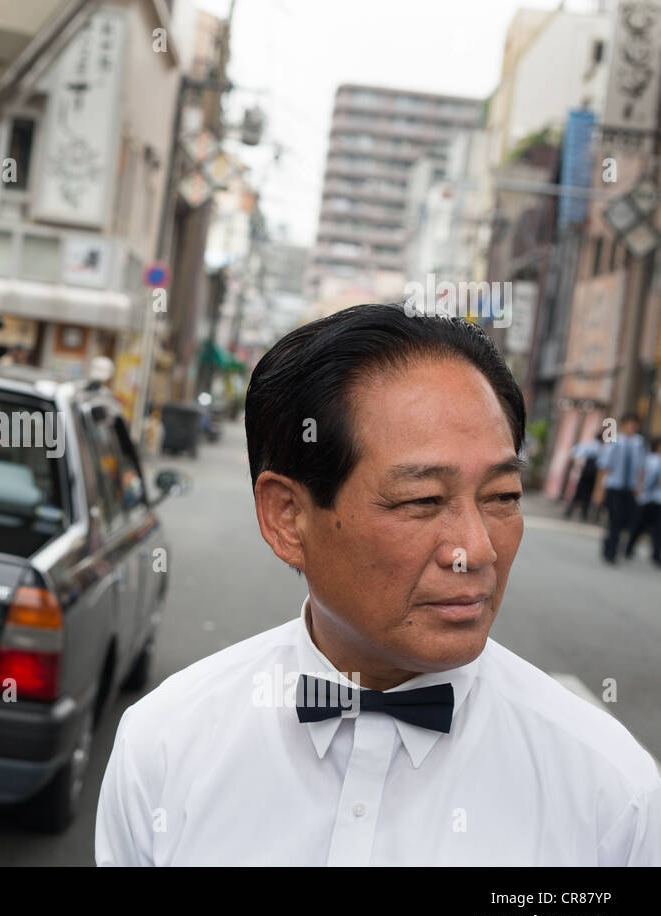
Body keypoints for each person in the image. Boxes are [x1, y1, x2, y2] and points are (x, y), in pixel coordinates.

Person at [95, 303, 660, 866]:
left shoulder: (611, 792)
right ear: (288, 517)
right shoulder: (166, 744)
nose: (477, 551)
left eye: (503, 498)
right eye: (421, 501)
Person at [594, 413, 648, 564]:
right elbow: (604, 467)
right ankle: (611, 552)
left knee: (626, 521)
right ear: (623, 425)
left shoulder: (639, 443)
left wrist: (639, 487)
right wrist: (599, 490)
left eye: (634, 424)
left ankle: (609, 542)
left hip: (630, 489)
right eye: (629, 424)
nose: (632, 427)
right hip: (614, 487)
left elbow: (641, 469)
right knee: (615, 519)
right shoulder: (614, 441)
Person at [624, 436, 661, 567]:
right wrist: (639, 490)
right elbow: (643, 477)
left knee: (656, 529)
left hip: (655, 499)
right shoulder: (650, 460)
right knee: (640, 526)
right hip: (647, 498)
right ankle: (629, 549)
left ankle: (656, 555)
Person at [563, 435, 602, 522]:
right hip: (592, 471)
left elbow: (576, 453)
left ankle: (570, 511)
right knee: (587, 494)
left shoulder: (588, 445)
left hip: (586, 471)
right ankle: (583, 513)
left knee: (579, 492)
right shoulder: (598, 447)